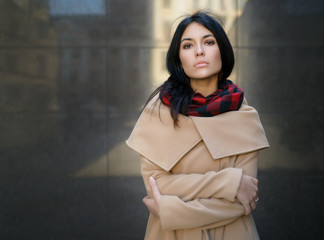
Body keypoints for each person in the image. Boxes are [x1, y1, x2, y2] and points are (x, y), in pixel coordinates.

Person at [126, 11, 269, 240]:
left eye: (209, 42)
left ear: (222, 50)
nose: (199, 51)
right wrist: (229, 182)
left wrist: (169, 210)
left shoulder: (244, 115)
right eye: (188, 45)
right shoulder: (159, 111)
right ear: (179, 59)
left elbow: (243, 201)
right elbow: (158, 185)